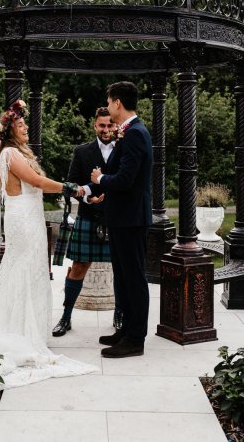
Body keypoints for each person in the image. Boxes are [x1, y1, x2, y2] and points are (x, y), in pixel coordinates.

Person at [0, 99, 97, 391]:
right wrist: (75, 189)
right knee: (23, 269)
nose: (26, 127)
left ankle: (21, 325)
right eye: (20, 124)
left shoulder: (10, 153)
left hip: (26, 216)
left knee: (25, 268)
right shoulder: (10, 154)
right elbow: (37, 182)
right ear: (9, 131)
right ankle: (19, 330)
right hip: (23, 219)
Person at [90, 81, 152, 359]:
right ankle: (125, 331)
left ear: (117, 103)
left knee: (134, 278)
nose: (109, 105)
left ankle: (135, 339)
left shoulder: (136, 133)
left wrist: (100, 179)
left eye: (109, 100)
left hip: (130, 218)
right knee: (123, 278)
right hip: (121, 218)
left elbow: (126, 180)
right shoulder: (128, 133)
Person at [52, 107, 123, 337]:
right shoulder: (82, 152)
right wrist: (87, 197)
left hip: (116, 219)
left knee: (121, 269)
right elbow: (71, 185)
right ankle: (66, 317)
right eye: (102, 125)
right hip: (88, 216)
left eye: (110, 125)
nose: (106, 129)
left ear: (116, 126)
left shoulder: (123, 149)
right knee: (79, 268)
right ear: (94, 126)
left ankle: (119, 315)